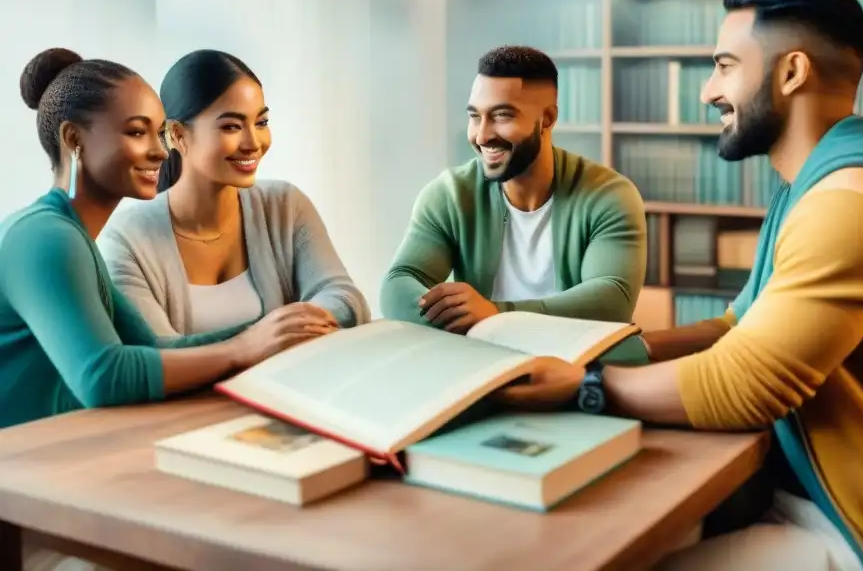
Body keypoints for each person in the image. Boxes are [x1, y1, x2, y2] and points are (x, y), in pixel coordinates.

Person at [493, 0, 863, 571]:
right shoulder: (816, 186)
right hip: (833, 503)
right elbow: (740, 325)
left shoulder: (854, 205)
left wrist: (586, 386)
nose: (709, 91)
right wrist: (603, 353)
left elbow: (746, 383)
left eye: (725, 66)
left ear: (791, 73)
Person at [1, 48, 337, 571]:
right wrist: (245, 346)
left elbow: (155, 352)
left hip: (58, 483)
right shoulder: (44, 237)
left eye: (160, 133)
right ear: (74, 140)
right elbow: (103, 375)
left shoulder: (78, 238)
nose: (160, 151)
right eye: (138, 132)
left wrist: (276, 332)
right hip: (22, 509)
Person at [98, 49, 369, 336]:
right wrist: (264, 337)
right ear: (177, 135)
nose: (253, 142)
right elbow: (158, 355)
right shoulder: (127, 238)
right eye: (231, 126)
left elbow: (344, 297)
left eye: (261, 123)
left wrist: (295, 325)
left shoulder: (285, 205)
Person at [380, 45, 646, 333]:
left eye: (502, 115)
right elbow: (398, 283)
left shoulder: (609, 195)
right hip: (484, 361)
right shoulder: (449, 196)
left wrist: (495, 314)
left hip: (573, 366)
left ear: (547, 118)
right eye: (475, 116)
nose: (482, 135)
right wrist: (457, 317)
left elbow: (612, 299)